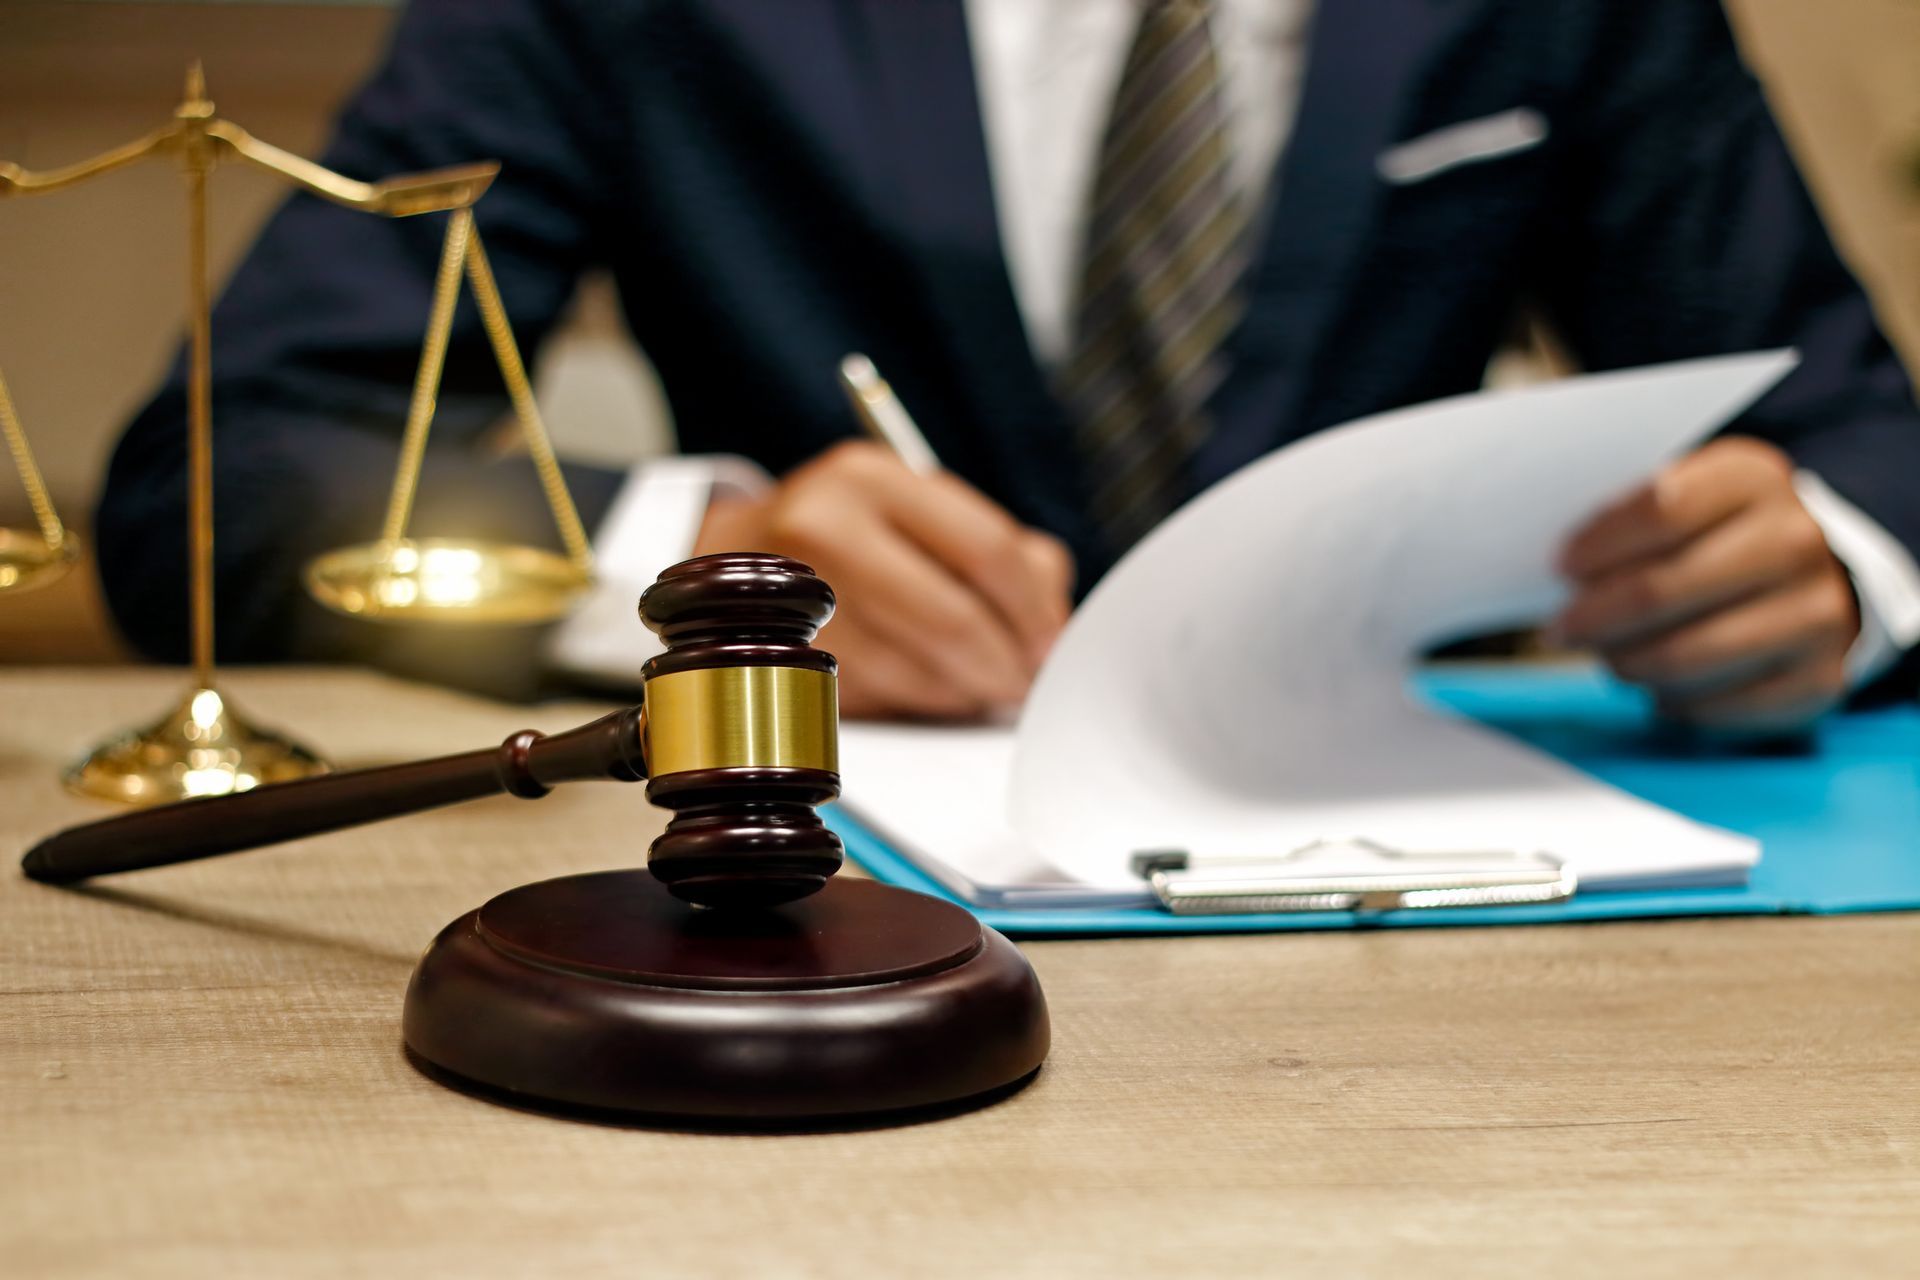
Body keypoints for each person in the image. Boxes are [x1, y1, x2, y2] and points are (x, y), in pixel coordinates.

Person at [97, 0, 1920, 726]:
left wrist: (1832, 566)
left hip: (1436, 908)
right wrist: (710, 566)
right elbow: (226, 471)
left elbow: (1857, 435)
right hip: (830, 914)